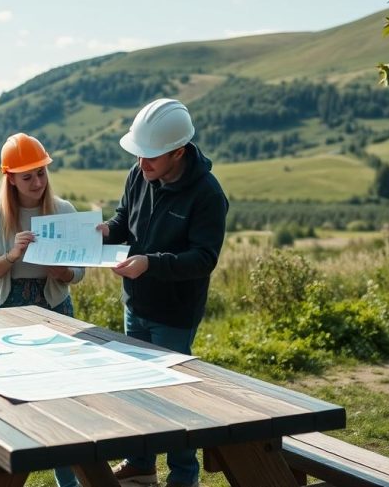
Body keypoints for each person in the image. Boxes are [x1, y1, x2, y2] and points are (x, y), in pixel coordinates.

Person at [97, 99, 228, 487]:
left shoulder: (207, 194)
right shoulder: (140, 173)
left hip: (174, 313)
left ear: (178, 152)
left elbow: (204, 258)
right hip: (134, 303)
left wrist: (151, 263)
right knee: (135, 386)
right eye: (138, 155)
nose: (142, 164)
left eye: (151, 157)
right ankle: (140, 465)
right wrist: (105, 231)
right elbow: (124, 218)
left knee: (172, 397)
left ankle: (184, 477)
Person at [0, 132, 84, 487]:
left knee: (63, 397)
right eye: (28, 176)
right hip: (6, 307)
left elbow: (78, 272)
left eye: (41, 173)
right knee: (9, 399)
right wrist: (12, 256)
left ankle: (68, 480)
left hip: (54, 304)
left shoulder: (63, 210)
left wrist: (61, 271)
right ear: (11, 179)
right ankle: (1, 475)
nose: (37, 182)